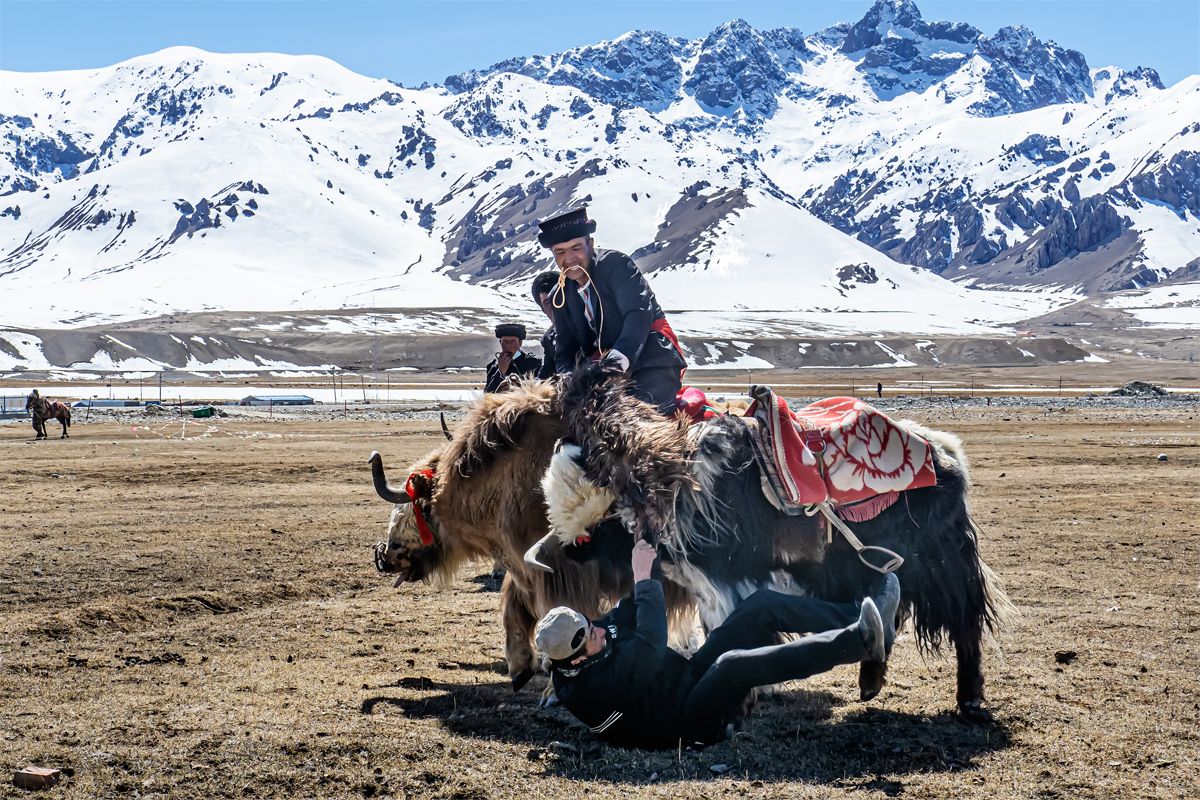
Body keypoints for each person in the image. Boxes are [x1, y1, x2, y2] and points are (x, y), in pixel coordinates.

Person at [534, 540, 900, 750]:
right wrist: (643, 578)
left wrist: (651, 549)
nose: (596, 631)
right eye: (587, 637)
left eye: (588, 624)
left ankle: (863, 618)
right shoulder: (590, 690)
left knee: (759, 607)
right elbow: (648, 642)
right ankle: (858, 643)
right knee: (732, 666)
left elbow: (627, 613)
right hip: (685, 725)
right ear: (575, 662)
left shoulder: (590, 636)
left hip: (686, 680)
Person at [536, 207, 686, 414]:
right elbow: (565, 350)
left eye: (576, 248)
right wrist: (570, 382)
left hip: (651, 360)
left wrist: (615, 364)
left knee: (636, 421)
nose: (569, 258)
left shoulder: (616, 265)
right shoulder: (558, 294)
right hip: (599, 373)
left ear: (590, 244)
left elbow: (638, 315)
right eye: (560, 252)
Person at [484, 323, 541, 393]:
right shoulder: (494, 367)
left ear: (520, 343)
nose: (508, 345)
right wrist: (501, 372)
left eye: (512, 341)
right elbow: (488, 394)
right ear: (500, 342)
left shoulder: (533, 363)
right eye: (505, 341)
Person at [530, 270, 560, 381]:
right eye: (547, 302)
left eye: (557, 298)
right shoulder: (548, 340)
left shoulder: (592, 326)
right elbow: (547, 372)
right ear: (542, 309)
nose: (555, 305)